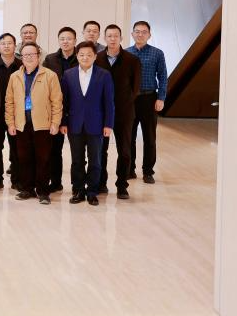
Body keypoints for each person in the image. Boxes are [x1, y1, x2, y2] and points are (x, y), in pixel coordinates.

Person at [5, 42, 62, 204]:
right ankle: (27, 189)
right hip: (21, 124)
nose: (29, 57)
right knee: (24, 158)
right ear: (21, 57)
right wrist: (10, 123)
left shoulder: (50, 75)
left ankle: (43, 191)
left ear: (38, 56)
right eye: (25, 55)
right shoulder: (15, 76)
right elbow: (9, 102)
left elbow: (57, 101)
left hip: (43, 125)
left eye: (32, 54)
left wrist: (55, 123)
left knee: (43, 159)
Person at [61, 41, 115, 206]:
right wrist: (63, 122)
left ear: (95, 56)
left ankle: (92, 191)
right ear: (77, 56)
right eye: (82, 55)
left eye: (89, 55)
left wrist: (108, 124)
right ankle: (78, 190)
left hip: (96, 125)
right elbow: (64, 101)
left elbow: (109, 102)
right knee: (77, 160)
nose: (85, 57)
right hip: (74, 124)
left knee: (95, 160)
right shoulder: (68, 74)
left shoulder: (104, 75)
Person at [95, 24, 142, 199]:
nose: (113, 39)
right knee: (101, 150)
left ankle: (122, 185)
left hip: (124, 112)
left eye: (116, 36)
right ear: (105, 38)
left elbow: (136, 88)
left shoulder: (132, 60)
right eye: (109, 36)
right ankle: (101, 183)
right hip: (101, 113)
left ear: (121, 38)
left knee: (124, 150)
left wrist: (122, 102)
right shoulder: (97, 58)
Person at [126, 20, 167, 184]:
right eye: (137, 31)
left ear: (149, 35)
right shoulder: (126, 53)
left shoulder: (157, 53)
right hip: (130, 100)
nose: (140, 34)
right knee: (129, 136)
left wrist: (161, 97)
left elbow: (163, 76)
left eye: (144, 32)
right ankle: (130, 169)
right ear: (132, 34)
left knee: (149, 137)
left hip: (149, 98)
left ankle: (148, 171)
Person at [42, 26, 78, 193]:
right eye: (62, 38)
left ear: (75, 41)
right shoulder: (50, 59)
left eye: (69, 39)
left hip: (76, 109)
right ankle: (56, 182)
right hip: (55, 109)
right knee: (54, 150)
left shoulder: (81, 57)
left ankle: (78, 185)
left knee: (77, 151)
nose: (65, 41)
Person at [0, 32, 22, 191]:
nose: (7, 46)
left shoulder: (22, 66)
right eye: (3, 43)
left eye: (10, 43)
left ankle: (17, 179)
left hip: (17, 114)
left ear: (15, 46)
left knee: (17, 148)